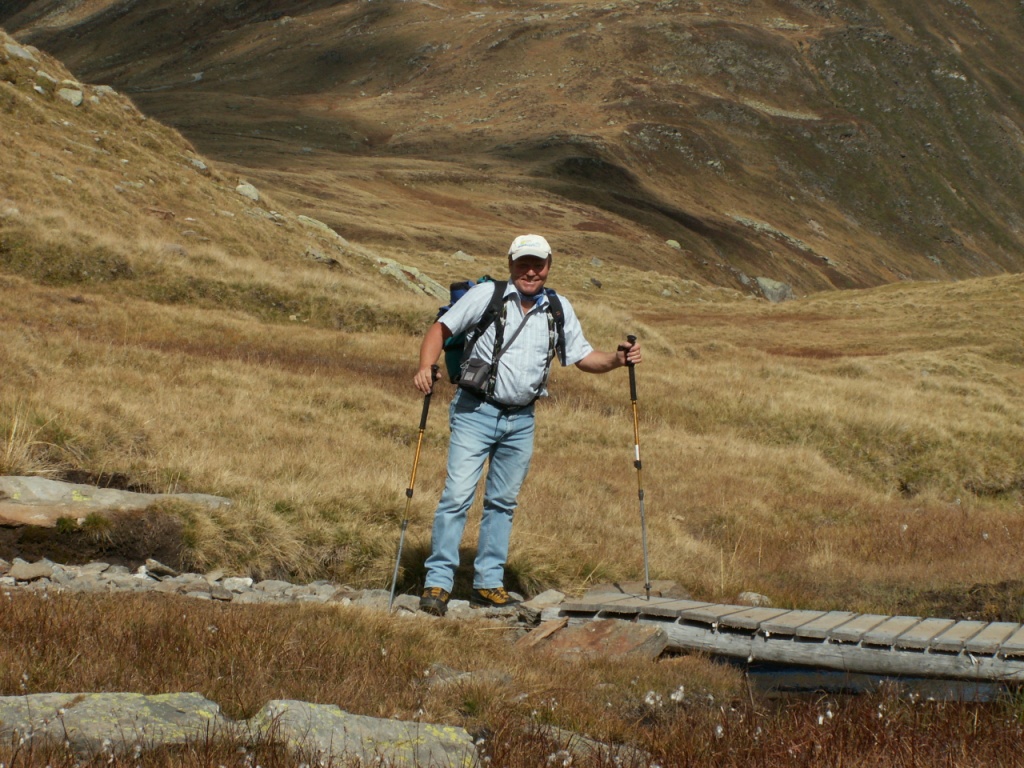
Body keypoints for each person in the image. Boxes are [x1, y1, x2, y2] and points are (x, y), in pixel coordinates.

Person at [412, 234, 642, 615]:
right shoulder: (486, 296)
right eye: (523, 264)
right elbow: (441, 329)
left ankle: (488, 583)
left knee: (502, 502)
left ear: (549, 266)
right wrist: (425, 366)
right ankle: (438, 582)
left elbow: (583, 357)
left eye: (538, 264)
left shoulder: (557, 308)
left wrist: (617, 360)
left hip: (521, 420)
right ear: (510, 264)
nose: (531, 272)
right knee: (456, 497)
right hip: (475, 412)